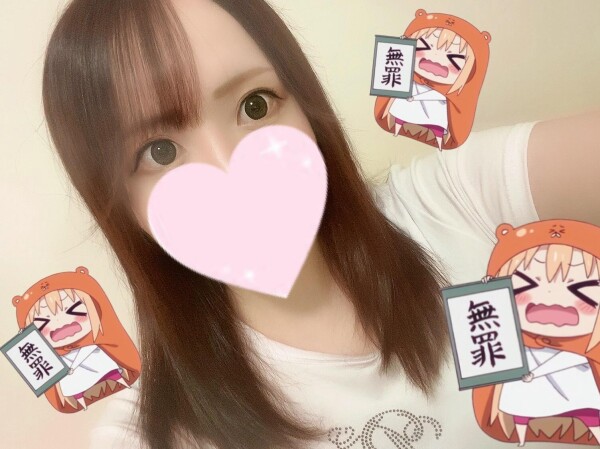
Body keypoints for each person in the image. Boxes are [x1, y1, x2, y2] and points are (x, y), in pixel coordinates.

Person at [40, 0, 599, 448]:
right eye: (159, 151)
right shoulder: (154, 433)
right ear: (117, 204)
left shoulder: (452, 199)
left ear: (305, 105)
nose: (232, 169)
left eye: (256, 105)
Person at [473, 220, 600, 446]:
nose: (551, 298)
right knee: (521, 407)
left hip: (570, 377)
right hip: (525, 379)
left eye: (581, 289)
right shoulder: (503, 339)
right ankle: (520, 437)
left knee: (588, 410)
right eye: (526, 285)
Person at [12, 267, 141, 413]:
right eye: (43, 323)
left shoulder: (105, 348)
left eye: (73, 309)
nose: (60, 323)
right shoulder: (49, 362)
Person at [374, 9, 491, 150]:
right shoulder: (400, 76)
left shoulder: (452, 103)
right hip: (404, 109)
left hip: (435, 116)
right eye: (424, 46)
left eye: (454, 59)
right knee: (400, 112)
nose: (436, 58)